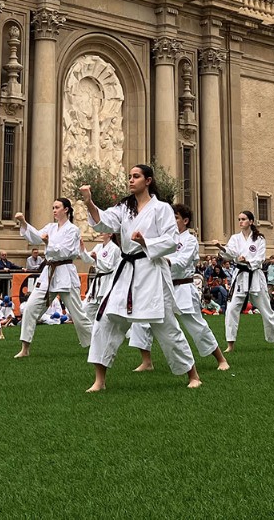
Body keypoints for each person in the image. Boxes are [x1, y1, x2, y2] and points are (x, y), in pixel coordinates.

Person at [80, 165, 202, 391]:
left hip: (151, 270)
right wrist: (89, 201)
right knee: (105, 320)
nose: (131, 180)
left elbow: (172, 240)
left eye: (136, 176)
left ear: (148, 181)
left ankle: (192, 374)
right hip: (126, 270)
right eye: (129, 177)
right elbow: (104, 221)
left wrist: (146, 243)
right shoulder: (124, 207)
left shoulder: (162, 208)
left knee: (166, 326)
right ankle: (100, 380)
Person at [129, 204, 229, 372]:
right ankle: (147, 362)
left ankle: (221, 359)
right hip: (160, 286)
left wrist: (165, 261)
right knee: (142, 322)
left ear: (185, 220)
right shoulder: (164, 237)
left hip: (182, 286)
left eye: (175, 217)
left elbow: (182, 262)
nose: (171, 221)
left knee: (196, 325)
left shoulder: (189, 240)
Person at [14, 198, 92, 358]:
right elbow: (35, 237)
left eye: (57, 207)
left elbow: (66, 251)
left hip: (65, 272)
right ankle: (25, 348)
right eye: (53, 208)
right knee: (30, 308)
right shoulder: (50, 227)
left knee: (78, 314)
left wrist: (49, 243)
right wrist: (23, 222)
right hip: (48, 273)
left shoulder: (73, 230)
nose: (54, 210)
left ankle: (95, 345)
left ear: (66, 210)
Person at [214, 210, 274, 354]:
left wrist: (248, 260)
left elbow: (260, 257)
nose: (240, 222)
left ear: (251, 221)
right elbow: (231, 253)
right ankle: (230, 344)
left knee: (266, 310)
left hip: (255, 276)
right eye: (239, 219)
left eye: (244, 219)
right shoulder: (235, 238)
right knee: (232, 309)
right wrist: (221, 247)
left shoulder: (259, 239)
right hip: (240, 277)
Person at [82, 232, 121, 314]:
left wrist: (96, 259)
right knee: (86, 308)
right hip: (97, 281)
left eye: (103, 231)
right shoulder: (98, 247)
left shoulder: (114, 248)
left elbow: (108, 267)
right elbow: (88, 259)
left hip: (107, 280)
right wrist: (82, 249)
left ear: (110, 234)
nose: (101, 233)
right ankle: (91, 327)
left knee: (105, 308)